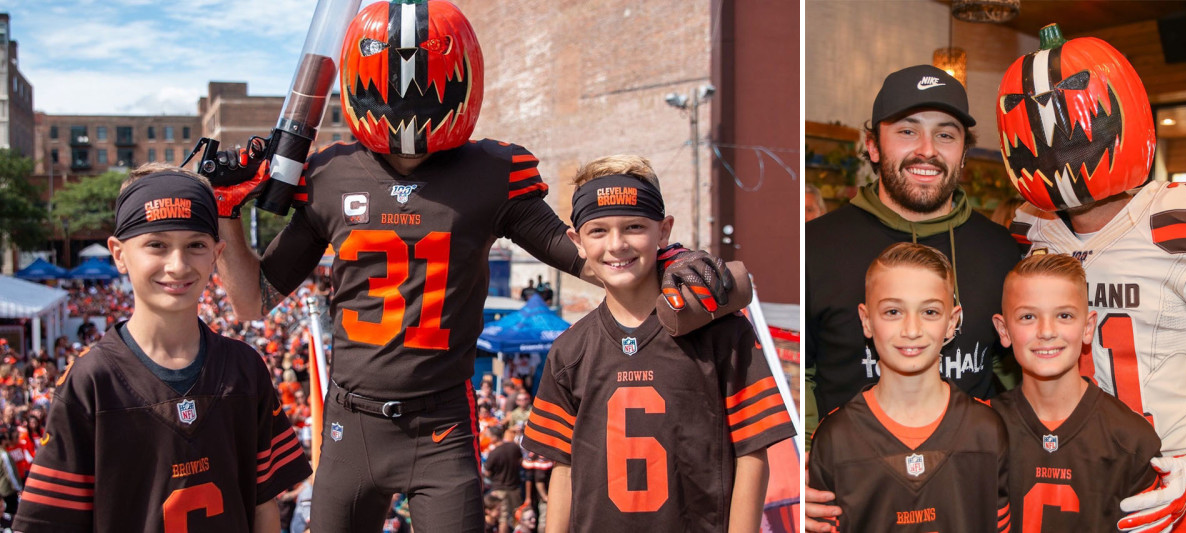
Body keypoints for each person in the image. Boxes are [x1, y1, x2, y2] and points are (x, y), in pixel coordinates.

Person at [207, 2, 736, 531]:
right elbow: (254, 302)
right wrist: (228, 213)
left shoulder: (489, 173)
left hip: (441, 427)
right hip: (352, 423)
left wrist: (670, 258)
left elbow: (588, 257)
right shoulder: (330, 173)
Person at [12, 164, 311, 532]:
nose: (177, 264)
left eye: (195, 245)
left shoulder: (244, 368)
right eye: (157, 244)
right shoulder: (91, 381)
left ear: (217, 254)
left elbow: (263, 507)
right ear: (119, 254)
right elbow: (48, 524)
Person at [520, 155, 795, 532]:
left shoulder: (723, 334)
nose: (617, 245)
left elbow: (753, 452)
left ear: (663, 232)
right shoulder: (569, 350)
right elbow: (564, 468)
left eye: (634, 226)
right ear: (577, 241)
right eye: (598, 231)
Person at [996, 24, 1186, 532]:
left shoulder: (1179, 217)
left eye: (1071, 116)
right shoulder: (1030, 230)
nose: (1055, 136)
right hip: (1074, 470)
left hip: (1176, 469)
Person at [805, 64, 1021, 448]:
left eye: (945, 134)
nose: (927, 150)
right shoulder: (814, 246)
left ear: (964, 152)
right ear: (872, 145)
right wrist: (808, 459)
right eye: (908, 131)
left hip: (970, 481)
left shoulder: (1002, 251)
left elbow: (1011, 375)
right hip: (852, 485)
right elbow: (797, 371)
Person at [808, 243, 1009, 532]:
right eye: (893, 311)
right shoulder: (835, 437)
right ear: (867, 320)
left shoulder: (986, 429)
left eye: (929, 311)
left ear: (952, 322)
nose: (912, 330)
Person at [989, 253, 1160, 531]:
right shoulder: (981, 429)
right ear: (1004, 330)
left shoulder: (1131, 440)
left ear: (1088, 327)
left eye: (1064, 315)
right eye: (1028, 316)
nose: (1046, 331)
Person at [485, 426, 525, 533]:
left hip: (499, 489)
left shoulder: (493, 453)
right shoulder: (513, 447)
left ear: (494, 438)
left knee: (503, 519)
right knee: (517, 516)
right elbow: (521, 461)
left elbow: (487, 472)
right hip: (514, 488)